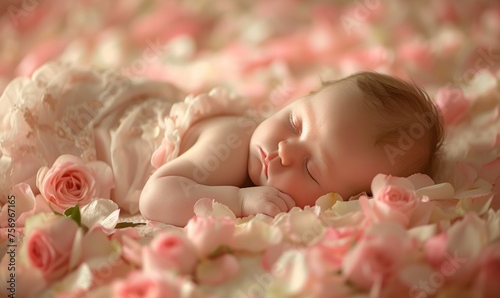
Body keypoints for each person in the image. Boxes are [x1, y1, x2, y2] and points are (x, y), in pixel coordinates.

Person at [139, 71, 444, 226]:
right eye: (296, 124)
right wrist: (240, 200)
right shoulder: (229, 144)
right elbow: (154, 198)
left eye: (311, 168)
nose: (285, 150)